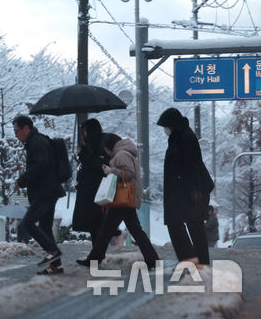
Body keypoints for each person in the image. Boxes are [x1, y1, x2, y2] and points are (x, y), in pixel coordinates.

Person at [76, 134, 159, 269]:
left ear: (109, 147)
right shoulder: (125, 153)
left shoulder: (121, 154)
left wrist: (111, 171)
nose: (106, 152)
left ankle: (94, 259)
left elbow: (129, 173)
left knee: (107, 229)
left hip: (123, 197)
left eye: (105, 149)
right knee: (129, 229)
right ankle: (152, 259)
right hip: (125, 198)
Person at [157, 108, 215, 268]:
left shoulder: (185, 137)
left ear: (172, 125)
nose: (165, 130)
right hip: (184, 190)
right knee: (191, 224)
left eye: (166, 126)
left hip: (190, 190)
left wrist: (195, 190)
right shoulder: (179, 136)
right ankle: (197, 260)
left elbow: (192, 164)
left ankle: (193, 259)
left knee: (185, 223)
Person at [13, 115, 65, 275]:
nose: (16, 135)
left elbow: (40, 166)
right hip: (48, 190)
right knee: (45, 227)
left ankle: (53, 251)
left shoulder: (37, 143)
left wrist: (22, 180)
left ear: (26, 128)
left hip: (45, 191)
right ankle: (56, 266)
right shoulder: (37, 141)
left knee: (28, 223)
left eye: (17, 131)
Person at [71, 119, 108, 246]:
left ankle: (97, 257)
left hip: (96, 192)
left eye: (84, 132)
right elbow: (84, 168)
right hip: (87, 192)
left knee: (97, 225)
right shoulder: (88, 148)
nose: (83, 135)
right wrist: (79, 161)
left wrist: (83, 156)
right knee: (94, 228)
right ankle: (97, 256)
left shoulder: (101, 145)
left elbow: (99, 166)